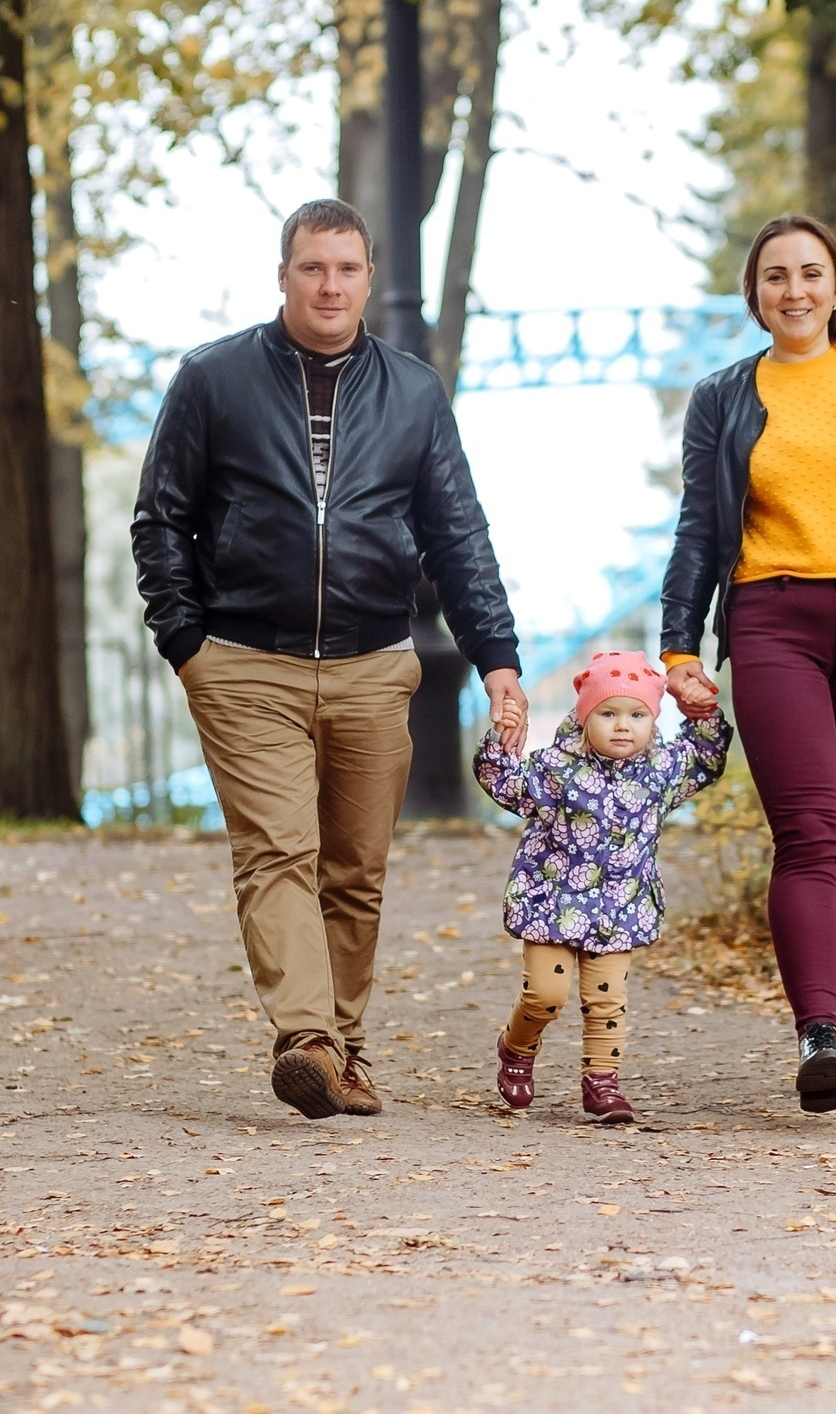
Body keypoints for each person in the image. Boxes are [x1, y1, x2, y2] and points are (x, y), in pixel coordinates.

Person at [132, 197, 529, 1121]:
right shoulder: (213, 379)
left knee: (355, 869)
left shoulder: (414, 392)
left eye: (347, 269)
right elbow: (162, 519)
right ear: (283, 275)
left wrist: (497, 656)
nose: (330, 285)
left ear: (368, 278)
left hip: (370, 662)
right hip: (242, 660)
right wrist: (187, 643)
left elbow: (457, 535)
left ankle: (342, 1048)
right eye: (313, 268)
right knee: (277, 852)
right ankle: (305, 1035)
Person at [659, 212, 836, 1113]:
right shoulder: (724, 396)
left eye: (810, 274)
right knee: (811, 832)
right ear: (755, 295)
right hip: (771, 619)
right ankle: (814, 1029)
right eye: (776, 276)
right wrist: (680, 645)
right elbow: (700, 529)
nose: (795, 291)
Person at [478, 651, 733, 1124]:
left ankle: (603, 1083)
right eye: (608, 713)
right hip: (552, 904)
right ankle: (516, 1046)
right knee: (545, 996)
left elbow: (706, 760)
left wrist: (703, 713)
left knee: (606, 1001)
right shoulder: (555, 769)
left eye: (637, 715)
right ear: (584, 717)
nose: (623, 726)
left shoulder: (663, 770)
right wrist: (500, 740)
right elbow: (505, 784)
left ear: (653, 722)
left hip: (621, 905)